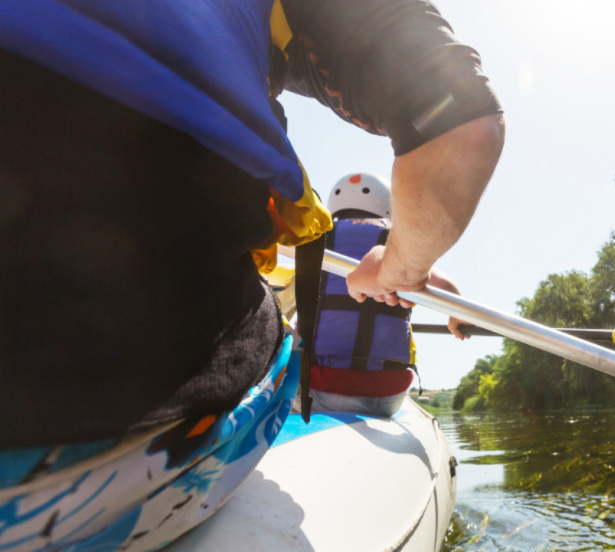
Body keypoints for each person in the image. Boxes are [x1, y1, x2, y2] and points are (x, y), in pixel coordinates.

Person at [0, 1, 504, 549]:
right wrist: (404, 274)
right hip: (141, 415)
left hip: (315, 383)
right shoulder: (385, 238)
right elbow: (462, 133)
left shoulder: (321, 242)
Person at [297, 172, 468, 418]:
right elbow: (446, 287)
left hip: (316, 386)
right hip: (386, 392)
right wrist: (455, 319)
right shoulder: (398, 241)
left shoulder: (313, 236)